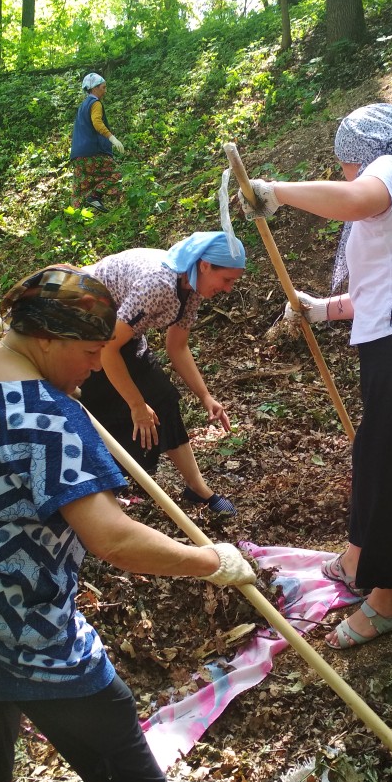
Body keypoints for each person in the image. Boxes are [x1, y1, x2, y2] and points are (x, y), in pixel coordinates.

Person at [0, 265, 257, 782]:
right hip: (24, 613)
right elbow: (114, 539)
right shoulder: (48, 418)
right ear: (46, 339)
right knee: (108, 711)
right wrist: (211, 562)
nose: (97, 365)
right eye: (86, 351)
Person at [239, 103, 392, 649]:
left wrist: (276, 190)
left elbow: (352, 200)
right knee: (374, 452)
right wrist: (322, 309)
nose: (347, 174)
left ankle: (387, 603)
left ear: (361, 153)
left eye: (345, 163)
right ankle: (356, 560)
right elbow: (382, 294)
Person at [79, 232, 246, 516]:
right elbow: (108, 349)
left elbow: (177, 347)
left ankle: (197, 488)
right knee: (101, 413)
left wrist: (205, 396)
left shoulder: (191, 287)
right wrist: (136, 405)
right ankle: (100, 494)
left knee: (163, 399)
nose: (229, 289)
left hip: (119, 333)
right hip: (84, 330)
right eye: (226, 280)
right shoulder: (160, 285)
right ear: (205, 265)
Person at [69, 72, 124, 211]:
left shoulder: (83, 106)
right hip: (93, 152)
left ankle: (77, 219)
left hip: (78, 156)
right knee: (116, 173)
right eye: (103, 87)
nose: (105, 91)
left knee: (79, 188)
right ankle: (95, 195)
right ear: (94, 88)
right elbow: (97, 122)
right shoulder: (95, 104)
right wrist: (112, 138)